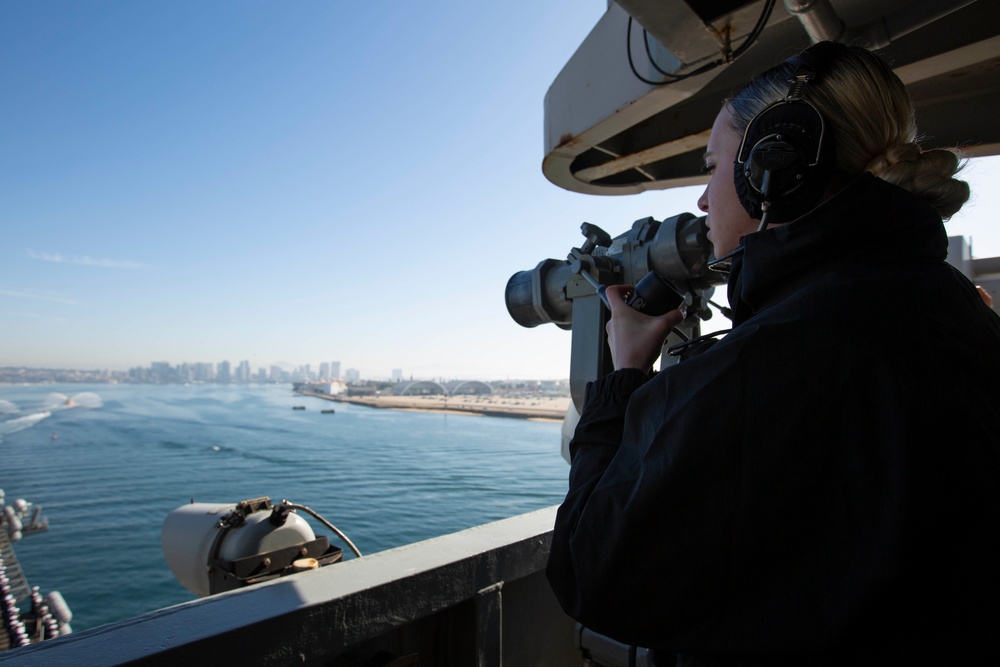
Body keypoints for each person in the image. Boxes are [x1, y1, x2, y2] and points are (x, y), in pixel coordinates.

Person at [546, 41, 1000, 666]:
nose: (703, 200)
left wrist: (624, 377)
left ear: (775, 168)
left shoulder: (778, 360)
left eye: (711, 167)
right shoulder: (952, 306)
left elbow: (590, 572)